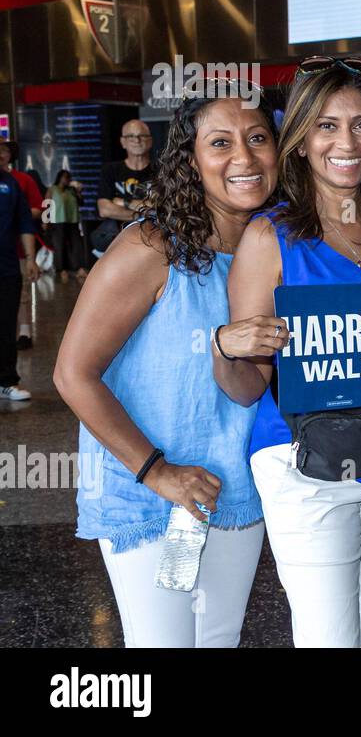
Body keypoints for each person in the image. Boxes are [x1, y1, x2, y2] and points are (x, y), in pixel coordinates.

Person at [216, 56, 361, 648]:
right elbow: (244, 385)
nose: (346, 142)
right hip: (303, 466)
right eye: (327, 126)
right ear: (302, 141)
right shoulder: (270, 236)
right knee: (328, 638)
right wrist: (226, 346)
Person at [53, 90, 276, 646]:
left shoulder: (271, 248)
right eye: (220, 143)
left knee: (218, 639)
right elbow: (73, 373)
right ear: (190, 160)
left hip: (235, 492)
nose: (244, 158)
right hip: (155, 498)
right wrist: (157, 472)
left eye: (258, 139)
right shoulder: (152, 246)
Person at [0, 148, 38, 401]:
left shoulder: (10, 183)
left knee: (5, 325)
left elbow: (25, 222)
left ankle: (6, 382)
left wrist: (31, 258)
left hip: (7, 267)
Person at [94, 120, 156, 256]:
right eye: (131, 136)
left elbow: (161, 208)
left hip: (153, 240)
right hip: (117, 241)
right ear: (123, 142)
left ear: (150, 140)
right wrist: (144, 214)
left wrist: (124, 202)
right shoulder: (110, 170)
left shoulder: (162, 171)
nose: (137, 140)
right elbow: (104, 209)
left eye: (142, 136)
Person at [3, 142, 43, 349]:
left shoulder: (21, 180)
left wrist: (18, 213)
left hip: (15, 249)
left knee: (21, 293)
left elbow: (37, 209)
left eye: (4, 150)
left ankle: (24, 332)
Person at [45, 170, 88, 282]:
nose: (67, 180)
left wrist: (79, 192)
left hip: (72, 220)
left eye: (68, 178)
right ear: (59, 177)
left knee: (77, 244)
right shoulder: (52, 189)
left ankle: (79, 268)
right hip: (57, 221)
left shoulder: (72, 190)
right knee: (59, 246)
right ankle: (61, 269)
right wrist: (45, 221)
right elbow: (46, 205)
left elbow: (82, 203)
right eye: (65, 177)